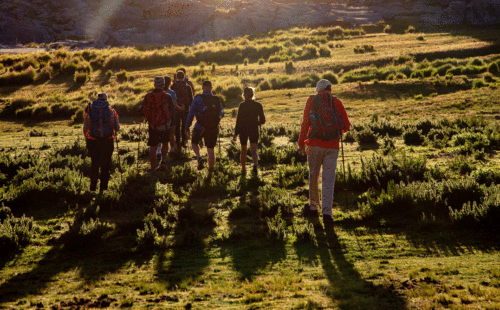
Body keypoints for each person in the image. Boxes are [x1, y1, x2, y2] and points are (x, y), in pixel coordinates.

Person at [298, 79, 350, 225]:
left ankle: (313, 207)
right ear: (330, 89)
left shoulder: (311, 100)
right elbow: (346, 126)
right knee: (328, 179)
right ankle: (327, 213)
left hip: (314, 145)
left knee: (314, 176)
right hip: (332, 147)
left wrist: (301, 143)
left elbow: (305, 122)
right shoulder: (336, 102)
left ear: (318, 91)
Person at [83, 92, 120, 192]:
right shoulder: (111, 110)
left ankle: (92, 188)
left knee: (94, 163)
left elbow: (85, 127)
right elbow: (117, 128)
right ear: (106, 99)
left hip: (93, 141)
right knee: (105, 165)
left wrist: (87, 138)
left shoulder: (89, 110)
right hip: (107, 141)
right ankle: (103, 189)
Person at [185, 80, 224, 170]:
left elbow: (191, 113)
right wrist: (216, 120)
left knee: (194, 143)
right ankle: (210, 171)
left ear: (203, 88)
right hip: (212, 127)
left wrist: (187, 127)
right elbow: (222, 113)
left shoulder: (197, 98)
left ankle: (199, 157)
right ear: (211, 88)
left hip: (199, 126)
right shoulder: (216, 99)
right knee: (211, 150)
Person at [139, 76, 173, 173]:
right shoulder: (168, 96)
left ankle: (153, 168)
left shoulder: (148, 96)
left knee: (153, 147)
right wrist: (171, 124)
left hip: (153, 125)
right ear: (163, 85)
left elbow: (143, 110)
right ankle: (163, 162)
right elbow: (171, 112)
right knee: (165, 143)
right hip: (165, 125)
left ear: (154, 84)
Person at [232, 87, 266, 174]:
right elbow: (263, 120)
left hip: (243, 130)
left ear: (244, 95)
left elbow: (238, 121)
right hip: (254, 129)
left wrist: (235, 134)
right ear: (253, 94)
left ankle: (243, 169)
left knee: (243, 149)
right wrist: (256, 123)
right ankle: (255, 164)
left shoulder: (242, 105)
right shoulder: (258, 105)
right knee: (253, 150)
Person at [171, 70, 194, 149]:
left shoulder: (173, 86)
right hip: (186, 109)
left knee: (177, 126)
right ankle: (184, 141)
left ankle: (177, 141)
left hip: (176, 109)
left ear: (176, 77)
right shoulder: (187, 86)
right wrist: (192, 109)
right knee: (184, 126)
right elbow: (191, 99)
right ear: (184, 76)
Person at [163, 75, 179, 155]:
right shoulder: (172, 93)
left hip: (161, 115)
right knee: (172, 133)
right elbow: (175, 105)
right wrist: (181, 108)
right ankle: (172, 149)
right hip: (171, 115)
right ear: (170, 83)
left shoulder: (159, 93)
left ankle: (159, 151)